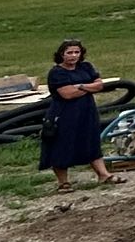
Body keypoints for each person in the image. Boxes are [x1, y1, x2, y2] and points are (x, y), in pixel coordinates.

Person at [39, 39, 117, 189]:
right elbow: (67, 94)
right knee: (61, 145)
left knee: (91, 142)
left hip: (87, 112)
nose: (73, 55)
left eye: (77, 52)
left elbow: (100, 85)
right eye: (69, 52)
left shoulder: (86, 67)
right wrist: (89, 87)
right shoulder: (57, 73)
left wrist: (80, 86)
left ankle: (103, 175)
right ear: (62, 54)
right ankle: (63, 182)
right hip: (64, 115)